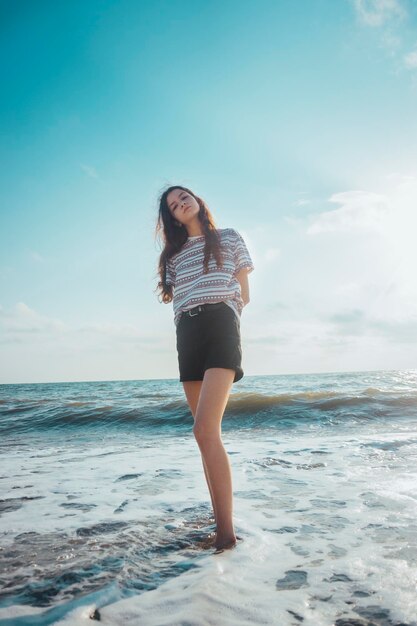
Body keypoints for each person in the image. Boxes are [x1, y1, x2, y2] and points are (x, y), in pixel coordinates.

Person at [156, 184, 254, 553]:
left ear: (196, 200)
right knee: (203, 437)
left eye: (183, 197)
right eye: (172, 205)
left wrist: (229, 311)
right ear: (171, 217)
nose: (180, 204)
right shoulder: (174, 255)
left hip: (220, 325)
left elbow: (245, 290)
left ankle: (227, 536)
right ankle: (221, 525)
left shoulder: (228, 237)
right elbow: (176, 296)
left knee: (204, 428)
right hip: (188, 332)